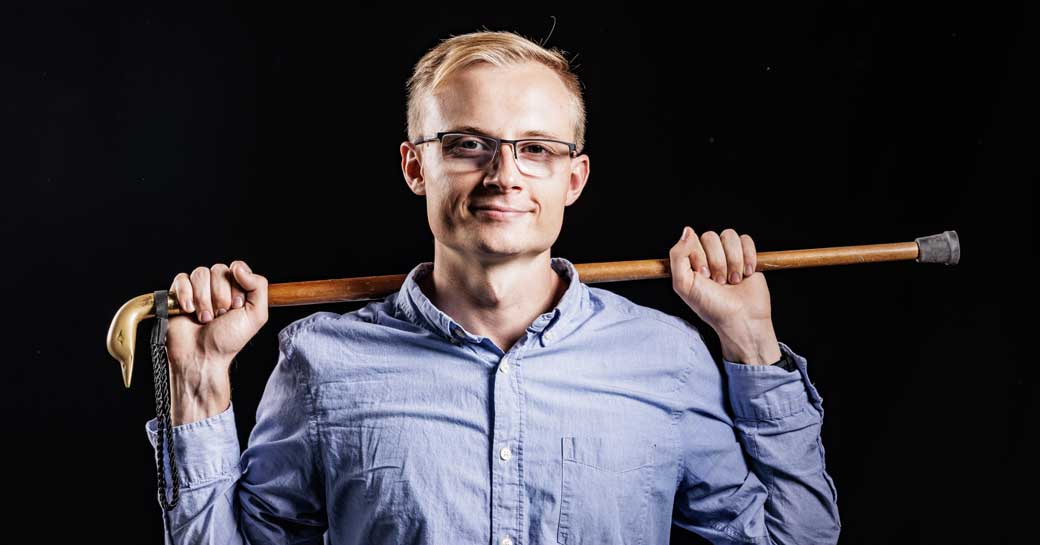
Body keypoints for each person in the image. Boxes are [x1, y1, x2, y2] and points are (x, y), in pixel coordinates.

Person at [149, 29, 841, 544]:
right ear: (416, 166)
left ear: (573, 179)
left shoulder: (667, 357)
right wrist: (199, 385)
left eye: (536, 148)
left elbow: (793, 538)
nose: (505, 174)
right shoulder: (320, 362)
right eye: (468, 143)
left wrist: (751, 344)